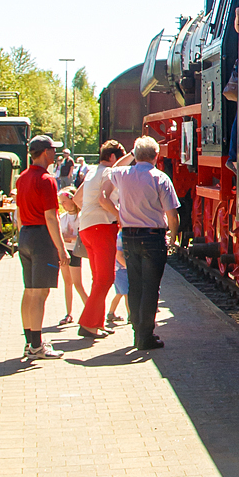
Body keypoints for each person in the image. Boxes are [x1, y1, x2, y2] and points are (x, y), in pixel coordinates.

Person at [102, 137, 179, 351]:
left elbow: (114, 167)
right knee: (151, 287)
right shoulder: (160, 178)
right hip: (153, 237)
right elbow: (172, 215)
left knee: (135, 285)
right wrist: (173, 238)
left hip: (129, 237)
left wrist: (131, 155)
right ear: (157, 156)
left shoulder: (122, 174)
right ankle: (145, 335)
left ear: (135, 156)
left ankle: (137, 331)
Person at [14, 135, 71, 360]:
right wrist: (61, 248)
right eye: (52, 150)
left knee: (29, 290)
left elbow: (18, 213)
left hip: (26, 235)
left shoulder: (22, 177)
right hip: (41, 238)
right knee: (40, 293)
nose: (55, 154)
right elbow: (51, 217)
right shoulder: (47, 179)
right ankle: (37, 346)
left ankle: (30, 341)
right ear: (45, 152)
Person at [74, 140, 126, 338]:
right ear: (113, 157)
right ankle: (88, 324)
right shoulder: (107, 172)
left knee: (99, 279)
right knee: (105, 278)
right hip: (102, 227)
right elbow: (103, 200)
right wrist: (118, 216)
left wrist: (89, 213)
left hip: (87, 227)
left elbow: (77, 199)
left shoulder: (91, 172)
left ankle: (97, 322)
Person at [56, 188, 90, 323]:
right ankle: (68, 313)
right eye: (61, 202)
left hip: (75, 252)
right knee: (67, 282)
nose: (62, 205)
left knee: (77, 283)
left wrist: (70, 237)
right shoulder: (62, 217)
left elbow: (81, 236)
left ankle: (90, 310)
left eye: (64, 201)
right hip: (64, 251)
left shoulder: (81, 216)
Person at [105, 234, 129, 328]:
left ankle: (111, 313)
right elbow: (119, 255)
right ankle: (130, 315)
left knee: (120, 293)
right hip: (121, 270)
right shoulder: (121, 237)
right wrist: (129, 268)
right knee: (127, 293)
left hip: (118, 269)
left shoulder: (120, 236)